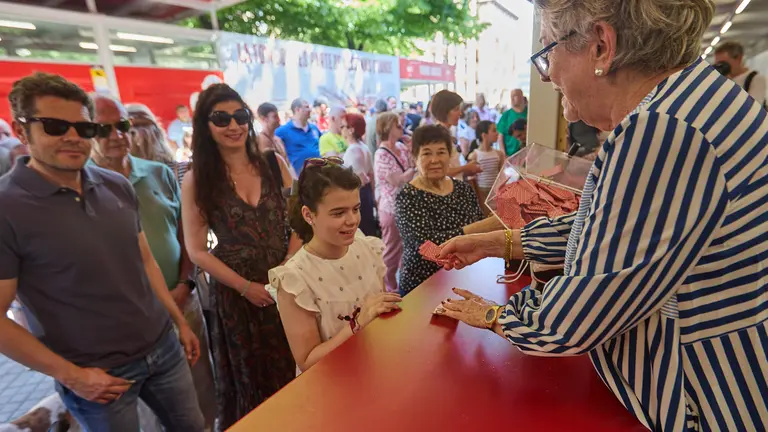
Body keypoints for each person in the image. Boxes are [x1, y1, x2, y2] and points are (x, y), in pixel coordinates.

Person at [434, 1, 768, 430]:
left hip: (711, 399)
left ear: (601, 47)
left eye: (548, 52)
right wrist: (499, 241)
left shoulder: (662, 130)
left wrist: (495, 316)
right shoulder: (693, 101)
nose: (546, 75)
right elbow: (620, 229)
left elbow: (575, 318)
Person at [0, 72, 203, 431]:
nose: (73, 137)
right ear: (21, 130)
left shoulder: (116, 184)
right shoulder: (7, 207)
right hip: (96, 374)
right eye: (55, 126)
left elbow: (144, 260)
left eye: (84, 128)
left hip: (162, 347)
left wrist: (177, 320)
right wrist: (72, 376)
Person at [91, 95, 216, 431]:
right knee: (151, 414)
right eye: (103, 129)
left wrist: (185, 283)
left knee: (201, 396)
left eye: (122, 126)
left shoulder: (158, 173)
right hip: (129, 324)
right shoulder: (83, 186)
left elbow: (184, 234)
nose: (116, 135)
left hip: (182, 302)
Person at [181, 84, 298, 429]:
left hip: (286, 284)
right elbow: (197, 250)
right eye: (221, 118)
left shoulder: (273, 163)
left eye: (240, 116)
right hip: (237, 298)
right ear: (205, 125)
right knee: (251, 379)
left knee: (295, 366)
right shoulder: (198, 180)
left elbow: (300, 219)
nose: (233, 125)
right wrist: (246, 287)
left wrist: (286, 268)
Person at [268, 159, 401, 371]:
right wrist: (358, 323)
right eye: (338, 213)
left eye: (356, 209)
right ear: (308, 215)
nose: (352, 220)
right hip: (333, 379)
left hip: (377, 362)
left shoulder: (365, 247)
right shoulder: (294, 279)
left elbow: (380, 306)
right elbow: (307, 361)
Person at [394, 125, 501, 295]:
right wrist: (486, 226)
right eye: (427, 153)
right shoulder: (407, 196)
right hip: (423, 284)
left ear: (449, 155)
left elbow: (480, 228)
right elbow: (426, 245)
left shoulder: (463, 189)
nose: (435, 160)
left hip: (465, 278)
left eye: (441, 152)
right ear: (414, 157)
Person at [373, 112, 414, 292]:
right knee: (391, 252)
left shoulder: (401, 147)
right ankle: (388, 288)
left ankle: (401, 285)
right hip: (391, 208)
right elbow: (398, 180)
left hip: (406, 207)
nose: (402, 128)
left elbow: (410, 168)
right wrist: (413, 170)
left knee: (406, 250)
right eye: (398, 125)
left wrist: (412, 152)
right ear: (388, 128)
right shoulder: (381, 154)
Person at [430, 90, 483, 181]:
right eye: (456, 109)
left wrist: (467, 170)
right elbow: (440, 171)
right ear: (444, 111)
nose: (460, 113)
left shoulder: (446, 133)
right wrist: (466, 168)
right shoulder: (437, 136)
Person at [341, 112, 377, 236]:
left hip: (357, 194)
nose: (341, 129)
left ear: (351, 130)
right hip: (366, 193)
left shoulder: (353, 151)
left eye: (343, 126)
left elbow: (359, 179)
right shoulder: (363, 147)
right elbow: (371, 175)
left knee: (360, 232)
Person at [276, 98, 321, 175]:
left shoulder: (314, 128)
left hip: (319, 174)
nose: (310, 110)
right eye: (306, 107)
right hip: (298, 176)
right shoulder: (282, 131)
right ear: (297, 109)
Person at [714, 41, 767, 107]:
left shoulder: (756, 79)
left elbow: (753, 106)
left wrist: (728, 83)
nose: (721, 66)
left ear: (739, 58)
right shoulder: (721, 78)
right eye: (718, 64)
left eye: (723, 63)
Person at [467, 121, 504, 215]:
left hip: (496, 192)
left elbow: (501, 174)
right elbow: (472, 180)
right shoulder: (474, 155)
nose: (497, 133)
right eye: (494, 130)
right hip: (481, 193)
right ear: (484, 135)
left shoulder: (499, 154)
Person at [256, 102, 292, 174]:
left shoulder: (278, 140)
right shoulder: (260, 140)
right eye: (275, 117)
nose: (278, 119)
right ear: (264, 119)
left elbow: (287, 163)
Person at [496, 89, 528, 157]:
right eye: (511, 97)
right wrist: (503, 154)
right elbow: (500, 136)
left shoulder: (529, 112)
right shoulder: (506, 115)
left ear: (522, 97)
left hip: (527, 153)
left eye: (515, 96)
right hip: (510, 154)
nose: (512, 99)